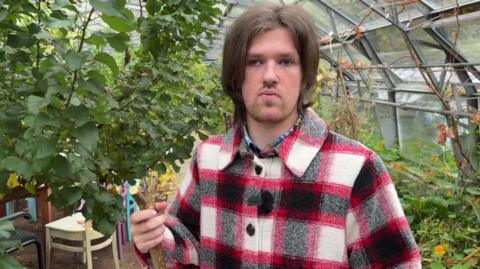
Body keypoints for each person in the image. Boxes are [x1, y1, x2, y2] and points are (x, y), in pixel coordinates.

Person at [131, 3, 421, 268]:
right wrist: (156, 238)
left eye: (285, 61)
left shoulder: (356, 170)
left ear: (306, 75)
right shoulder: (208, 159)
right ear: (236, 74)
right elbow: (187, 245)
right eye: (254, 61)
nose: (270, 75)